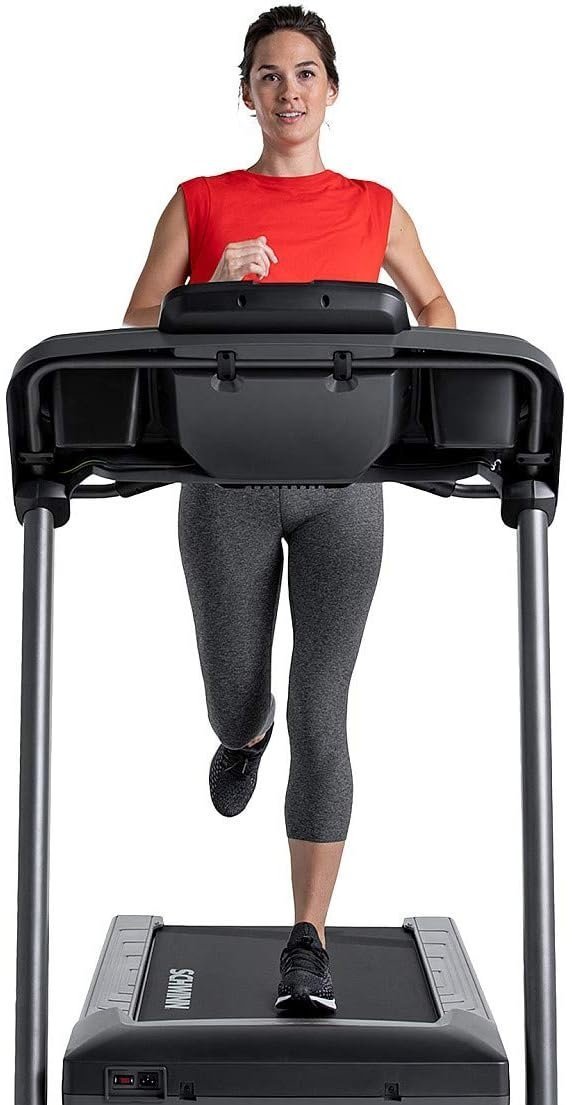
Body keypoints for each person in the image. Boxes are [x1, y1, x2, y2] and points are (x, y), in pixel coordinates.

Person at [123, 4, 456, 1015]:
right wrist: (206, 290)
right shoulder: (199, 201)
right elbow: (134, 320)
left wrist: (418, 378)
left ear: (331, 88)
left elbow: (435, 306)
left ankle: (307, 938)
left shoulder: (375, 207)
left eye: (305, 72)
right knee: (240, 699)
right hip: (225, 478)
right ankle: (241, 733)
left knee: (324, 707)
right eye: (268, 75)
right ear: (246, 93)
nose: (288, 91)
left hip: (343, 483)